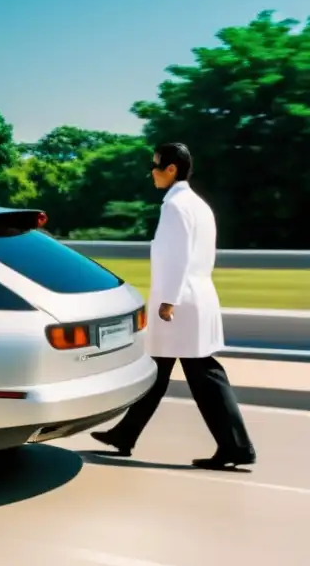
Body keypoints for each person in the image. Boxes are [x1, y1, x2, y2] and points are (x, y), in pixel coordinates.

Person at [91, 142, 256, 470]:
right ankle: (125, 434)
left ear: (172, 169)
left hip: (179, 304)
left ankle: (236, 447)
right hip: (194, 298)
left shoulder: (176, 207)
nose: (151, 172)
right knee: (159, 369)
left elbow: (177, 258)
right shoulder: (198, 204)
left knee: (203, 375)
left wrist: (168, 301)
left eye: (155, 166)